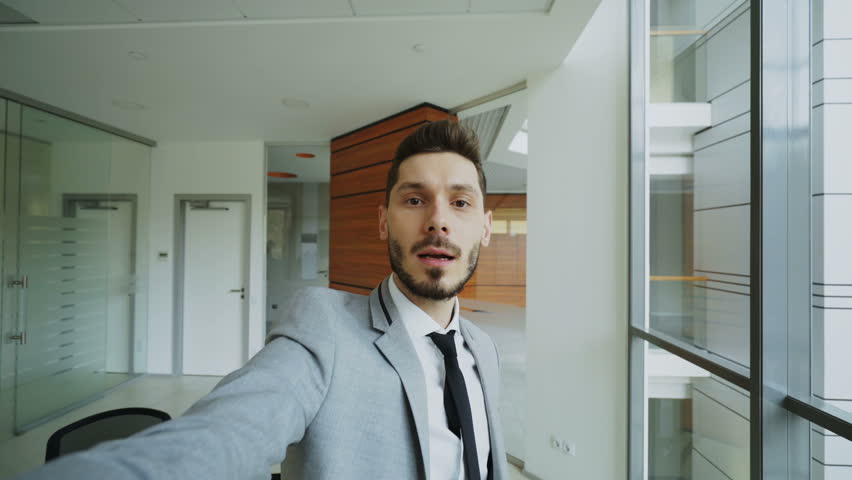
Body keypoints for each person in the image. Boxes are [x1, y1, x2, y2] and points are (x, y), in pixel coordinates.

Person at [15, 120, 506, 480]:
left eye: (460, 202)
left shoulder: (482, 347)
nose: (438, 220)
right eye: (414, 199)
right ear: (383, 222)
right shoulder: (326, 329)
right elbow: (224, 433)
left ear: (484, 226)